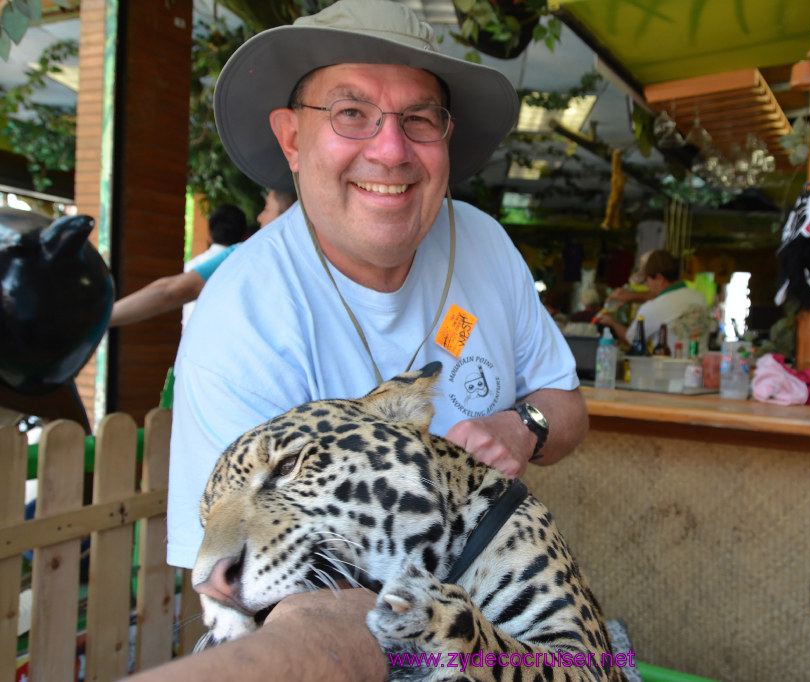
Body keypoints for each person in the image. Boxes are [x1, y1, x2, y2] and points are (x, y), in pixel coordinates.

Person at [157, 0, 587, 677]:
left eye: (417, 118)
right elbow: (260, 595)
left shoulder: (484, 244)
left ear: (444, 138)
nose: (390, 150)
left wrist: (521, 426)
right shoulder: (243, 316)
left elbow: (565, 403)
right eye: (351, 113)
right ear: (292, 139)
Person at [107, 190, 296, 328]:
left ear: (286, 216)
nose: (260, 217)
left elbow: (168, 292)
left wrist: (102, 318)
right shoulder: (309, 262)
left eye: (267, 208)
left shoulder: (247, 256)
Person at [595, 249, 709, 351]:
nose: (647, 285)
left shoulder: (654, 307)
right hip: (699, 369)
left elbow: (631, 339)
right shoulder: (699, 297)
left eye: (646, 280)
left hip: (670, 371)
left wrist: (611, 322)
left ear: (659, 278)